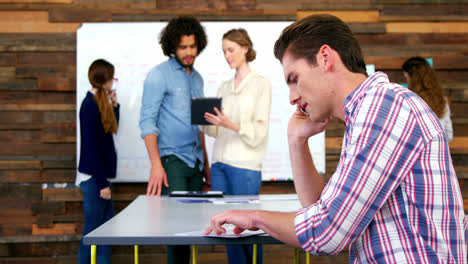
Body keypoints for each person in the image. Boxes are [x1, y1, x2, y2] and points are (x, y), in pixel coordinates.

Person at [205, 14, 467, 263]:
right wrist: (296, 140)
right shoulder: (365, 114)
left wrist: (254, 217)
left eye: (295, 79)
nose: (292, 97)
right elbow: (319, 209)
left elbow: (327, 231)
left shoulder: (384, 106)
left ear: (325, 58)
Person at [138, 16, 210, 264]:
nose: (189, 52)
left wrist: (207, 167)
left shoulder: (198, 78)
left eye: (192, 46)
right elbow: (147, 122)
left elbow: (201, 127)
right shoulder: (158, 75)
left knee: (191, 230)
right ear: (172, 47)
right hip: (172, 162)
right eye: (183, 47)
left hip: (196, 164)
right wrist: (156, 165)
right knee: (176, 232)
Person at [201, 28, 272, 264]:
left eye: (231, 50)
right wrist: (203, 122)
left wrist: (230, 123)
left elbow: (259, 133)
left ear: (245, 48)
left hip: (245, 166)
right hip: (220, 163)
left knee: (250, 228)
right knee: (228, 229)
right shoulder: (223, 87)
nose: (227, 55)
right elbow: (215, 130)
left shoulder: (261, 84)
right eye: (224, 52)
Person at [76, 59, 119, 264]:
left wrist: (115, 105)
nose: (114, 81)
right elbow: (91, 147)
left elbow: (109, 129)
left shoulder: (100, 102)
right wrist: (102, 183)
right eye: (111, 77)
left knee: (104, 235)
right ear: (104, 80)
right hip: (95, 179)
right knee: (92, 234)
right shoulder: (89, 105)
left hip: (100, 179)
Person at [402, 56, 453, 142]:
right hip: (438, 152)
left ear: (412, 77)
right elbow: (449, 136)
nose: (407, 81)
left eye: (406, 77)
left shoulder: (409, 102)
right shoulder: (442, 101)